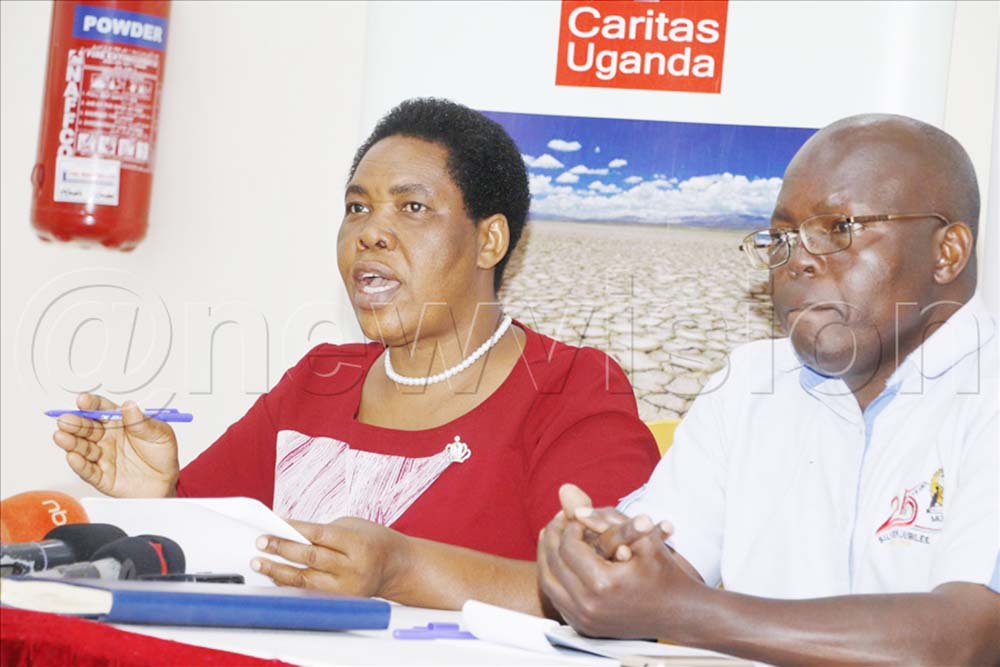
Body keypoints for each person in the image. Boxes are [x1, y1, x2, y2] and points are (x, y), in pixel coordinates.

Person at [53, 98, 660, 613]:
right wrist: (158, 498)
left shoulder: (574, 389)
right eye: (357, 207)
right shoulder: (321, 378)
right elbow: (223, 556)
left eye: (412, 207)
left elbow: (612, 594)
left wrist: (403, 570)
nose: (370, 231)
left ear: (489, 240)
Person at [538, 114, 999, 665]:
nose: (798, 258)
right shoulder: (750, 384)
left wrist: (684, 610)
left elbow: (970, 639)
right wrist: (601, 559)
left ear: (947, 252)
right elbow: (665, 566)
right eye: (782, 237)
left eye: (839, 229)